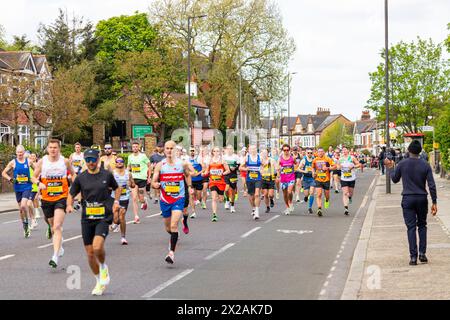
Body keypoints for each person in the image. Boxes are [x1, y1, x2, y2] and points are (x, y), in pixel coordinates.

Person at [67, 149, 121, 296]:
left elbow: (117, 188)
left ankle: (103, 267)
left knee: (97, 247)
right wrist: (69, 205)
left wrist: (116, 202)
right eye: (88, 160)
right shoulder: (81, 178)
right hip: (87, 218)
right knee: (90, 254)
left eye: (93, 159)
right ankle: (98, 281)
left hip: (103, 215)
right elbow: (71, 193)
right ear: (85, 160)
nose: (91, 162)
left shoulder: (106, 175)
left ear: (98, 159)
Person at [384, 140, 438, 266]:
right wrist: (434, 201)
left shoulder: (402, 164)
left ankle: (413, 257)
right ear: (420, 151)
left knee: (411, 227)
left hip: (407, 198)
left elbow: (395, 179)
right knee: (422, 225)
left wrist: (391, 168)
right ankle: (422, 254)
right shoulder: (425, 165)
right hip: (421, 198)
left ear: (408, 150)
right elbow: (431, 185)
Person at [32, 139, 75, 268]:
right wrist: (39, 183)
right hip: (46, 199)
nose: (52, 150)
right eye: (50, 147)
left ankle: (55, 256)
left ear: (59, 149)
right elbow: (33, 177)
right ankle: (59, 244)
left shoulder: (65, 161)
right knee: (51, 225)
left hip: (61, 198)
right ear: (47, 149)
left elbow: (74, 174)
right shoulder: (42, 161)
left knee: (57, 226)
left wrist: (73, 190)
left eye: (55, 147)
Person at [152, 141, 195, 264]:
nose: (169, 150)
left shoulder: (181, 164)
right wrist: (156, 184)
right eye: (167, 148)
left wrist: (190, 187)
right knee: (168, 227)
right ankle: (174, 235)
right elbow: (154, 181)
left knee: (174, 225)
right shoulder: (160, 165)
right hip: (165, 199)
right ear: (164, 150)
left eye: (172, 148)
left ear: (175, 150)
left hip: (178, 198)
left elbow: (187, 175)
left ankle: (171, 253)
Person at [2, 145, 34, 238]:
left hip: (27, 187)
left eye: (21, 152)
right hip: (17, 188)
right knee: (21, 209)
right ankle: (25, 225)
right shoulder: (13, 162)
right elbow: (3, 173)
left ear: (24, 153)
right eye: (18, 152)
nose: (20, 154)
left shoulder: (28, 161)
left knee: (24, 205)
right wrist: (10, 179)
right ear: (16, 153)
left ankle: (27, 222)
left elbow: (37, 169)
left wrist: (35, 179)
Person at [111, 156, 135, 245]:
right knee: (116, 219)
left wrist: (131, 184)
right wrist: (116, 188)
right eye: (118, 161)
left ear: (123, 163)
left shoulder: (128, 174)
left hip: (125, 198)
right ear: (116, 163)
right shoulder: (112, 173)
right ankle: (115, 223)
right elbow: (108, 186)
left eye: (121, 161)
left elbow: (133, 185)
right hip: (114, 198)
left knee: (122, 217)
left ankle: (123, 237)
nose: (119, 162)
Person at [204, 147, 230, 222]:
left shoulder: (222, 160)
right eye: (214, 151)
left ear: (219, 152)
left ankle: (223, 197)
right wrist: (204, 173)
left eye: (217, 151)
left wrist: (223, 173)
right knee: (214, 198)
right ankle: (214, 214)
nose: (216, 152)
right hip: (213, 182)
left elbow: (228, 170)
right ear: (212, 152)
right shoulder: (209, 161)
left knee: (221, 200)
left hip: (221, 182)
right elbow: (207, 171)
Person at [128, 142, 151, 224]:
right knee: (134, 198)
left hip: (142, 178)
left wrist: (149, 177)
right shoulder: (130, 157)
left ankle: (144, 201)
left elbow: (149, 166)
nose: (134, 148)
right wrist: (128, 175)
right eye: (133, 147)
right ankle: (136, 216)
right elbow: (129, 167)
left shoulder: (143, 156)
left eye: (136, 147)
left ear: (139, 148)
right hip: (134, 179)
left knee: (140, 198)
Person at [240, 145, 263, 220]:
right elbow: (240, 167)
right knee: (251, 196)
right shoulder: (247, 158)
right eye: (251, 149)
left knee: (257, 194)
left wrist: (262, 170)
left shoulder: (260, 157)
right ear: (249, 150)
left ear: (256, 150)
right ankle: (253, 207)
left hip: (258, 178)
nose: (253, 150)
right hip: (249, 179)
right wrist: (246, 168)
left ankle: (257, 211)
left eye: (254, 149)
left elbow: (265, 166)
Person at [312, 147, 336, 217]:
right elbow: (313, 168)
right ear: (317, 152)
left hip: (326, 179)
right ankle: (319, 208)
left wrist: (328, 168)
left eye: (322, 151)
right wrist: (313, 172)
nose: (320, 153)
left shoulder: (327, 159)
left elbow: (335, 166)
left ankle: (327, 200)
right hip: (318, 179)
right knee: (319, 194)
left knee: (327, 195)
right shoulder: (315, 160)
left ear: (324, 152)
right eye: (319, 151)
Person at [337, 147, 361, 216]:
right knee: (345, 193)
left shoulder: (352, 158)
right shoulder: (340, 159)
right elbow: (337, 166)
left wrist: (353, 166)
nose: (344, 151)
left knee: (350, 193)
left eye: (345, 150)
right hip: (344, 179)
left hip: (351, 178)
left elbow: (359, 164)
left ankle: (350, 197)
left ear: (348, 150)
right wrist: (339, 167)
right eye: (343, 150)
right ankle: (346, 208)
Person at [278, 144, 296, 215]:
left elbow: (296, 164)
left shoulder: (292, 158)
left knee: (289, 191)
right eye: (284, 150)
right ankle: (287, 207)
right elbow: (277, 166)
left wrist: (294, 169)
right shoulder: (280, 158)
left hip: (291, 177)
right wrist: (278, 171)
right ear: (282, 151)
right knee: (285, 194)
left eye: (287, 150)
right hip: (283, 179)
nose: (286, 151)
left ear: (289, 150)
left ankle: (290, 202)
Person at [223, 145, 240, 213]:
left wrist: (235, 168)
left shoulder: (235, 156)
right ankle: (227, 200)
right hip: (226, 175)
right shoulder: (224, 157)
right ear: (226, 150)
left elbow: (239, 165)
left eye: (231, 149)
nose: (229, 150)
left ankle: (232, 206)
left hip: (233, 175)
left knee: (232, 191)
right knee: (226, 189)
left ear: (232, 150)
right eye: (228, 149)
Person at [299, 148, 316, 214]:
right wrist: (304, 171)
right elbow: (298, 168)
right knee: (306, 193)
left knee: (311, 192)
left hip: (312, 178)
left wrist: (315, 173)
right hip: (305, 178)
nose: (309, 154)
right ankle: (306, 197)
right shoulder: (304, 160)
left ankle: (310, 207)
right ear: (306, 153)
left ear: (312, 153)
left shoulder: (314, 160)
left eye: (311, 153)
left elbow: (316, 168)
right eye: (308, 153)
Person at [188, 147, 204, 218]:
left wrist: (199, 173)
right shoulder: (186, 159)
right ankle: (193, 212)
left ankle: (200, 200)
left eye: (193, 151)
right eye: (191, 151)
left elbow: (204, 167)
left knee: (198, 195)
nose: (192, 152)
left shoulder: (198, 159)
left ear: (195, 152)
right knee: (191, 195)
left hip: (199, 180)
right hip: (190, 181)